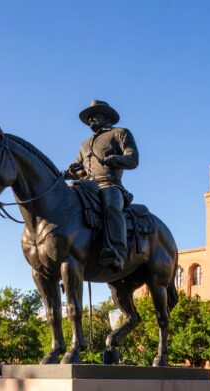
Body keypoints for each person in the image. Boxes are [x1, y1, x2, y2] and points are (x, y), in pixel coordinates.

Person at [65, 100, 139, 272]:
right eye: (89, 118)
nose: (91, 120)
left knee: (112, 207)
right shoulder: (85, 144)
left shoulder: (119, 133)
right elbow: (79, 168)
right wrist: (70, 171)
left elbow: (133, 159)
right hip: (86, 186)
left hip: (110, 184)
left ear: (106, 116)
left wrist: (116, 159)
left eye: (94, 115)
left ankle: (117, 253)